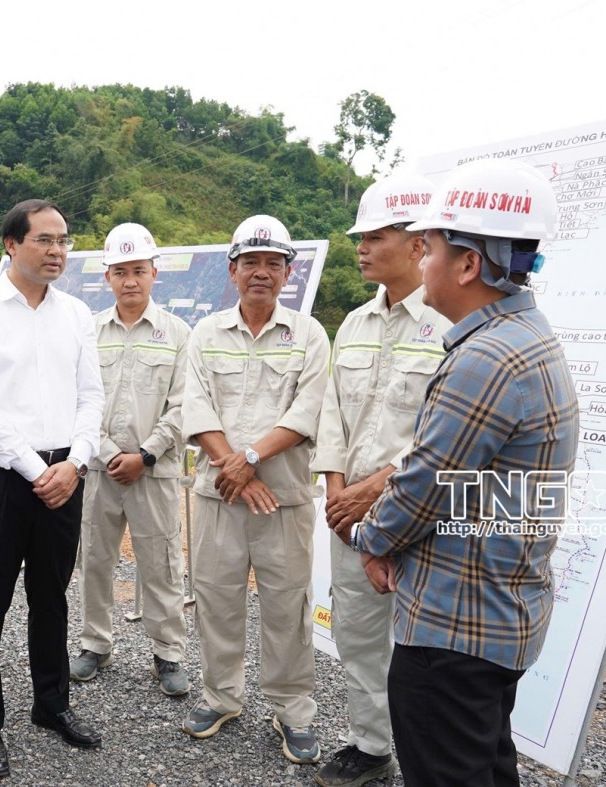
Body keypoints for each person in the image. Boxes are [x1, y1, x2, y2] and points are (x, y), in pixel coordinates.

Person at [351, 159, 579, 786]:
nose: (421, 263)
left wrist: (369, 539)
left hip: (454, 632)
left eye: (430, 248)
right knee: (483, 767)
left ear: (469, 264)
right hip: (497, 615)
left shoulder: (487, 359)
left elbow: (423, 484)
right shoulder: (524, 337)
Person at [0, 199, 105, 778]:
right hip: (1, 477)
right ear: (11, 244)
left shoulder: (77, 316)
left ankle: (52, 704)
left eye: (63, 240)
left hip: (67, 474)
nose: (58, 251)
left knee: (51, 597)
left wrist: (76, 462)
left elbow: (92, 395)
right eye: (44, 240)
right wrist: (34, 469)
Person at [311, 172, 449, 787]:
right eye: (360, 237)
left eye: (376, 236)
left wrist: (375, 492)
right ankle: (371, 745)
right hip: (351, 513)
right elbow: (334, 415)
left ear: (419, 243)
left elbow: (447, 434)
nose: (362, 247)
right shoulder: (357, 323)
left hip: (422, 512)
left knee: (426, 648)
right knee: (359, 633)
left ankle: (432, 757)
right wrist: (339, 491)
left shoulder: (453, 324)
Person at [180, 214, 329, 766]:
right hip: (219, 494)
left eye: (273, 263)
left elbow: (308, 409)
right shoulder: (206, 334)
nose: (261, 272)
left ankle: (292, 710)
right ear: (233, 270)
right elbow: (195, 406)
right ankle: (222, 695)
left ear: (289, 270)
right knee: (216, 599)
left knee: (287, 606)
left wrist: (249, 459)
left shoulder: (308, 335)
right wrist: (234, 469)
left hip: (284, 499)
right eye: (251, 263)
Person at [69, 222, 191, 697]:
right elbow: (77, 397)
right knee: (95, 560)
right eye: (120, 272)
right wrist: (105, 451)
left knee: (159, 563)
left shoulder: (177, 333)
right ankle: (95, 643)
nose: (130, 281)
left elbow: (184, 405)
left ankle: (168, 654)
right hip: (99, 471)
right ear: (107, 277)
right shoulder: (89, 332)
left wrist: (145, 453)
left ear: (154, 272)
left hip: (154, 473)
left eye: (138, 270)